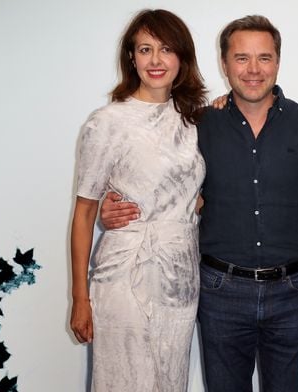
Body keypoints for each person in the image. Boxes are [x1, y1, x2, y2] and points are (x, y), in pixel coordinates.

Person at [100, 16, 298, 392]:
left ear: (278, 62)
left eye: (264, 58)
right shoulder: (197, 124)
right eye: (241, 58)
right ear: (225, 64)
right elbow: (160, 179)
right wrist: (118, 210)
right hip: (220, 290)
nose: (254, 69)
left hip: (294, 291)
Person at [69, 9, 206, 392]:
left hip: (180, 278)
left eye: (166, 49)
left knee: (169, 380)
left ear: (182, 57)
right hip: (124, 274)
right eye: (145, 50)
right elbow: (83, 215)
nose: (156, 60)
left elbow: (200, 194)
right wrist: (80, 298)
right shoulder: (107, 122)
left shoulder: (196, 121)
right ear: (132, 58)